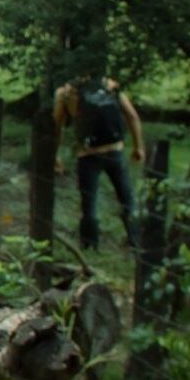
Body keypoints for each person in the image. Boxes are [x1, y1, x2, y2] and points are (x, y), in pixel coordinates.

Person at [53, 73, 145, 249]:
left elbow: (57, 127)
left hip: (88, 154)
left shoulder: (66, 93)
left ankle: (90, 246)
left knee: (89, 204)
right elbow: (133, 116)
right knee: (127, 200)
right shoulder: (110, 86)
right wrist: (138, 147)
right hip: (115, 150)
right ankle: (136, 241)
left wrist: (55, 155)